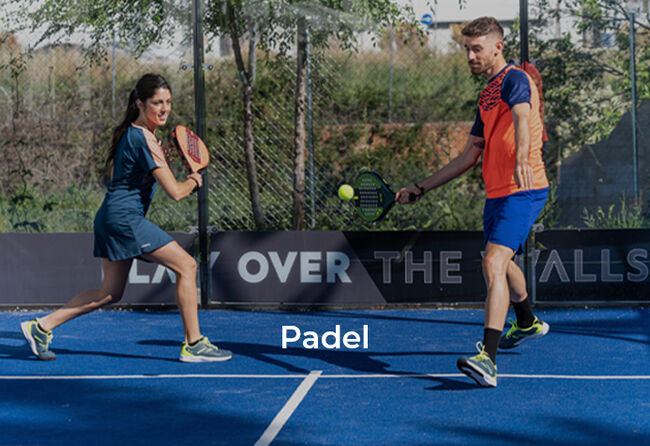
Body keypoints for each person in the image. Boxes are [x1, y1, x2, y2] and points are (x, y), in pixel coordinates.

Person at [20, 73, 232, 363]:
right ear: (140, 104)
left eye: (168, 102)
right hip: (123, 219)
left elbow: (125, 176)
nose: (164, 109)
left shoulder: (135, 134)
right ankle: (194, 344)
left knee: (109, 293)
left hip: (112, 217)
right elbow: (175, 192)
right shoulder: (143, 138)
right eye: (157, 102)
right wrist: (194, 181)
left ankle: (41, 326)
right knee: (187, 265)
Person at [396, 17, 549, 387]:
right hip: (497, 193)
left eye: (477, 48)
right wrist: (421, 187)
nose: (470, 56)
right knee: (500, 262)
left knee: (493, 262)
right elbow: (468, 156)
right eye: (467, 49)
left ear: (497, 47)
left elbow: (522, 117)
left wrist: (521, 157)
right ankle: (527, 321)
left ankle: (488, 361)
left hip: (523, 188)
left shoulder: (514, 79)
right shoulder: (486, 96)